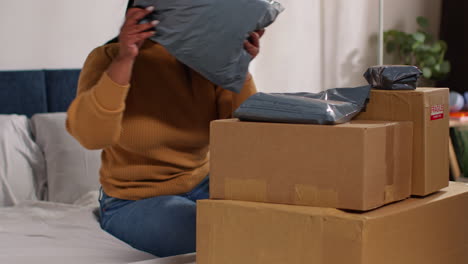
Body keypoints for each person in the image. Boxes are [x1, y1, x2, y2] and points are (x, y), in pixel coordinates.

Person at [66, 1, 264, 258]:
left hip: (204, 186)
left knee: (272, 215)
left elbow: (242, 138)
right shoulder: (106, 58)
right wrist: (125, 59)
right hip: (134, 201)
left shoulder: (207, 60)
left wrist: (238, 66)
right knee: (211, 230)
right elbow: (92, 137)